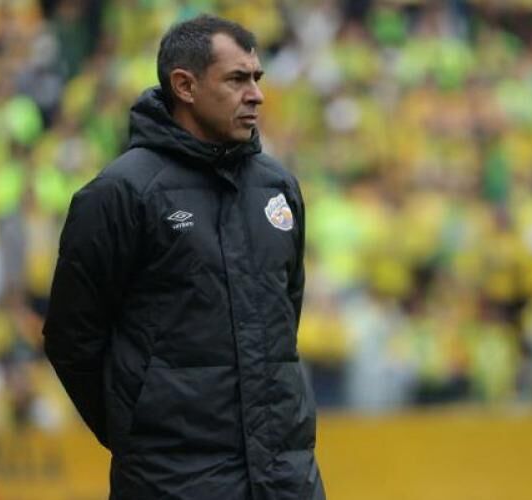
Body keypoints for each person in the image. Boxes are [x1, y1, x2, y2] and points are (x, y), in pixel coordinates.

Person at [42, 14, 326, 500]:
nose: (256, 94)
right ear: (185, 86)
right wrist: (137, 429)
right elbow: (72, 337)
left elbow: (285, 314)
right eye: (237, 79)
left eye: (257, 77)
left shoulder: (278, 188)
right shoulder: (120, 194)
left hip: (286, 480)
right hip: (171, 481)